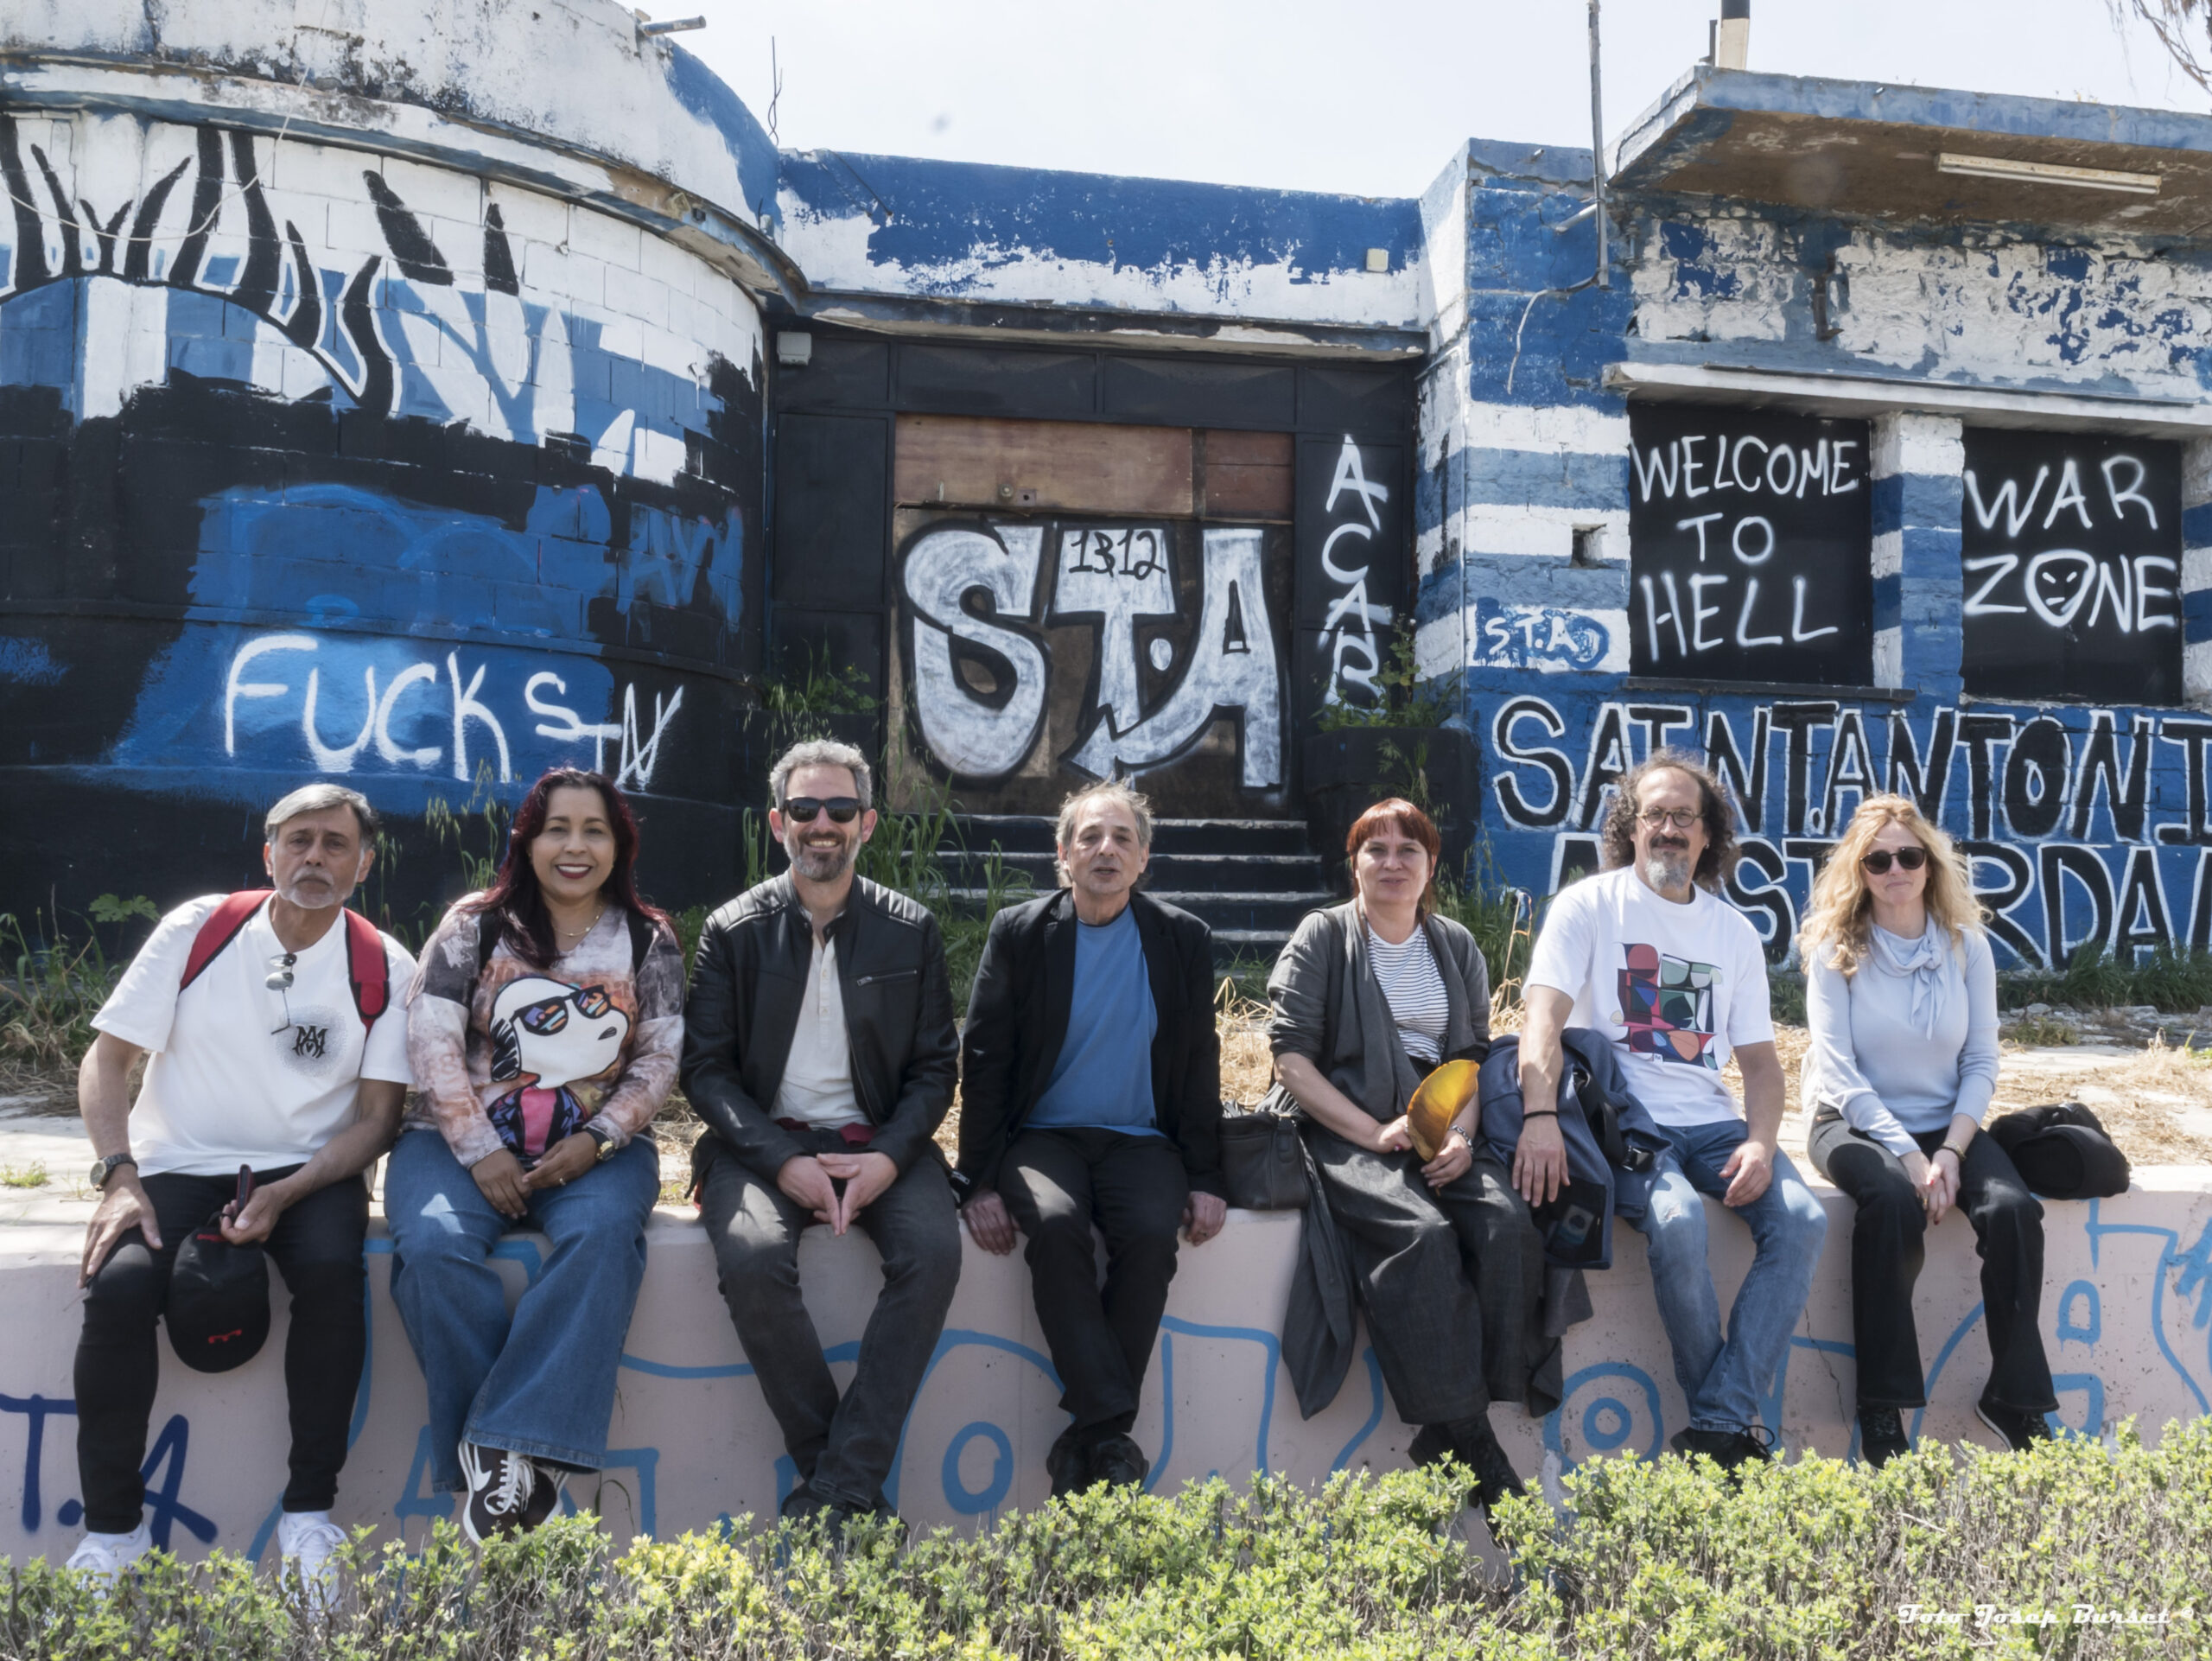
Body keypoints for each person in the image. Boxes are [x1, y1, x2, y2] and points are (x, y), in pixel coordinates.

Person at [69, 784, 414, 1582]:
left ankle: (308, 1518)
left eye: (335, 844)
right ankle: (112, 1534)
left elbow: (377, 1120)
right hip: (178, 1162)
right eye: (299, 841)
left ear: (363, 865)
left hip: (312, 1170)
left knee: (331, 1274)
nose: (315, 857)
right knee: (117, 1288)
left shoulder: (384, 965)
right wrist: (119, 1174)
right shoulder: (199, 929)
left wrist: (289, 1193)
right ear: (269, 854)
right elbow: (107, 1059)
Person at [388, 767, 684, 1543]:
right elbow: (430, 1041)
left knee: (602, 1240)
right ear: (528, 840)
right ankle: (517, 1470)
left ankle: (497, 1459)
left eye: (595, 831)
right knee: (433, 1250)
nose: (575, 847)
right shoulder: (475, 925)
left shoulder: (648, 938)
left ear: (619, 846)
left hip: (598, 1147)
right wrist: (480, 1149)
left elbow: (659, 1060)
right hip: (453, 1142)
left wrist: (599, 1139)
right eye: (558, 829)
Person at [1516, 748, 1828, 1471]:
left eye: (1684, 816)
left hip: (1713, 1125)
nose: (1667, 829)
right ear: (1629, 827)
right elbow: (1541, 1021)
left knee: (1803, 1219)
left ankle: (1716, 1424)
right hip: (1626, 1124)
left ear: (1708, 835)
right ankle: (1725, 1429)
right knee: (1679, 1220)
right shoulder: (1588, 907)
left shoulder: (1733, 933)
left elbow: (1761, 1067)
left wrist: (1760, 1143)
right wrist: (1539, 1115)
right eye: (1653, 814)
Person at [682, 740, 962, 1530]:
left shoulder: (911, 929)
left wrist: (887, 1159)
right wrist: (782, 1162)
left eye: (841, 809)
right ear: (778, 822)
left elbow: (935, 1069)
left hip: (884, 1144)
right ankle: (845, 1486)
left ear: (867, 823)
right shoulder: (732, 930)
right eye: (804, 809)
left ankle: (836, 1488)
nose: (822, 824)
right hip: (761, 1147)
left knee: (933, 1254)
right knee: (753, 1258)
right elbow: (705, 1072)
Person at [1266, 799, 1542, 1510]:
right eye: (1376, 850)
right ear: (1354, 863)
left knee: (1507, 1224)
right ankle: (1474, 1442)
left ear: (1431, 864)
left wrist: (1462, 1137)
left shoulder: (1455, 944)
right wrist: (1370, 1132)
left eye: (1408, 850)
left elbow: (1470, 1058)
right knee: (1420, 1235)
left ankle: (1452, 1426)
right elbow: (1291, 1060)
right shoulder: (1324, 935)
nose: (1392, 863)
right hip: (1343, 1124)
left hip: (1439, 1122)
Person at [957, 780, 1226, 1497]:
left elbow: (1200, 1063)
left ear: (1144, 858)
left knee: (1150, 1234)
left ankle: (1091, 1438)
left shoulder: (1183, 939)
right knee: (1054, 1224)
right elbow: (985, 1060)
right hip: (1043, 1138)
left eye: (1122, 838)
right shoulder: (1020, 933)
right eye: (1090, 837)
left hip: (1142, 1141)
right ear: (1063, 853)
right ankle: (1109, 1432)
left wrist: (1207, 1177)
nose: (1106, 850)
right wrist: (976, 1180)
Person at [1801, 795, 2053, 1466]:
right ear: (1858, 870)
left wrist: (1950, 1150)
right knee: (1890, 1203)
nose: (1895, 870)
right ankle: (1882, 1408)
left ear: (1930, 864)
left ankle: (2014, 1397)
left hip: (1946, 1124)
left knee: (2013, 1210)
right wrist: (1912, 1160)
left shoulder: (1967, 947)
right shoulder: (1834, 952)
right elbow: (1841, 1076)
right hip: (1850, 1121)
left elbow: (1982, 1061)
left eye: (1909, 856)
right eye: (1877, 859)